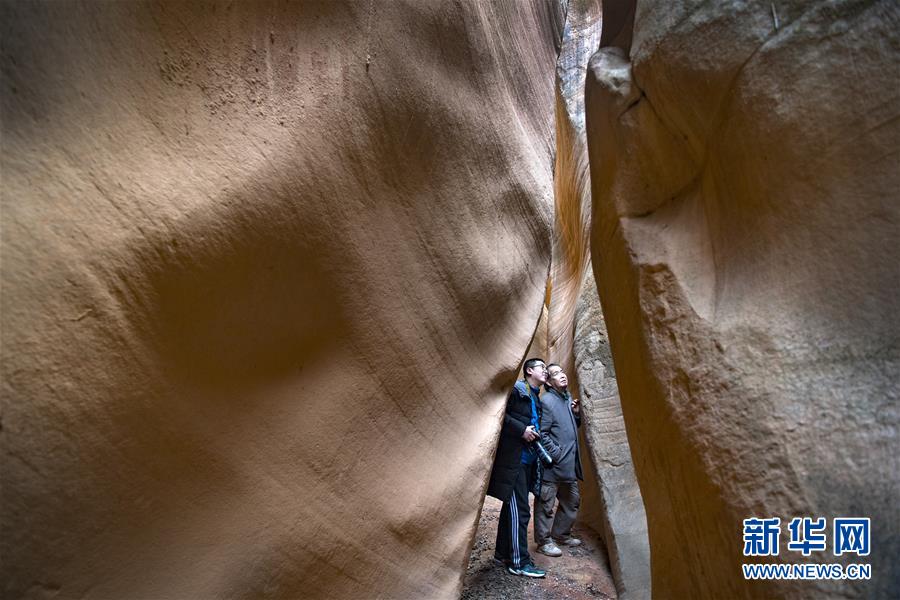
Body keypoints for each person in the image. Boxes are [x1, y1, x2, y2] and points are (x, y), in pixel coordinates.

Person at [486, 357, 548, 578]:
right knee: (520, 511)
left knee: (513, 509)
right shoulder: (517, 390)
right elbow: (498, 414)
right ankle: (518, 562)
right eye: (542, 368)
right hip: (514, 462)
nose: (546, 371)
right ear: (530, 370)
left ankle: (504, 553)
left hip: (526, 461)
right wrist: (522, 429)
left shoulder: (534, 397)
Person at [534, 363, 583, 557]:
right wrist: (556, 454)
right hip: (553, 466)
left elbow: (569, 429)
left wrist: (576, 414)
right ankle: (544, 542)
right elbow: (542, 433)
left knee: (571, 502)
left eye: (562, 371)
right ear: (549, 381)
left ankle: (561, 535)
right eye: (555, 374)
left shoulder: (566, 398)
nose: (562, 375)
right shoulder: (547, 401)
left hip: (569, 466)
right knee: (546, 504)